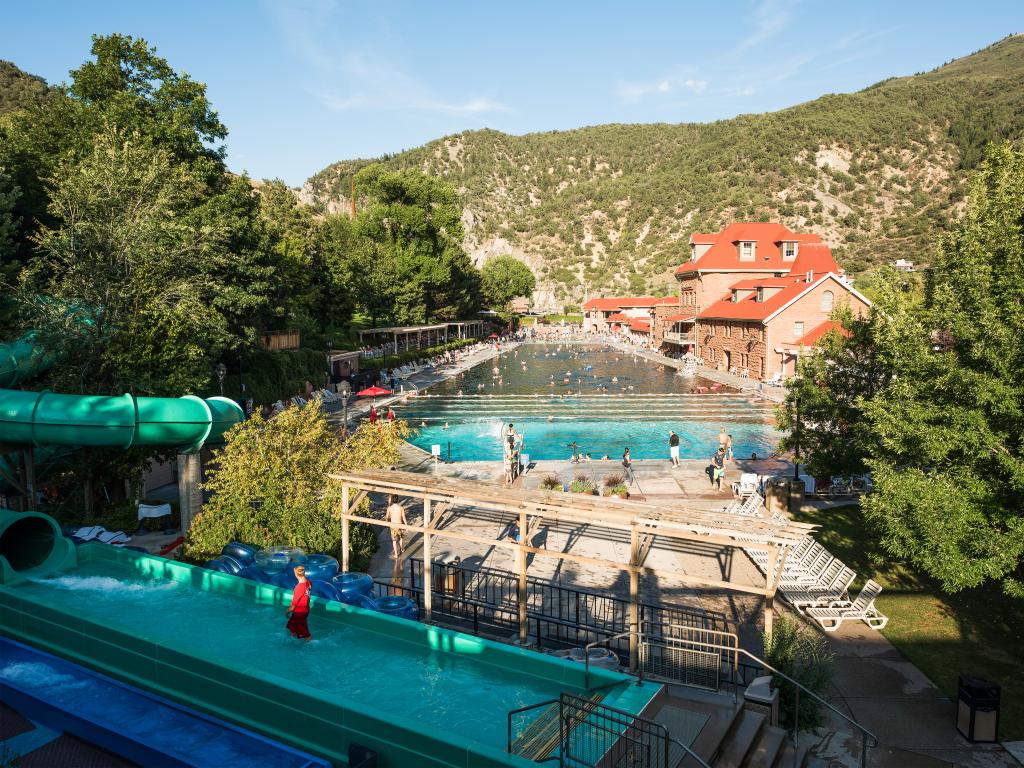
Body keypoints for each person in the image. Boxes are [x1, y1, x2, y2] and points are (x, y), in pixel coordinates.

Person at [285, 565, 312, 640]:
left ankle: (310, 644)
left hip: (299, 613)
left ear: (296, 574)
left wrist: (287, 612)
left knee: (305, 633)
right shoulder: (309, 583)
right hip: (305, 610)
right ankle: (293, 639)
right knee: (291, 626)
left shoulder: (299, 588)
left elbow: (293, 606)